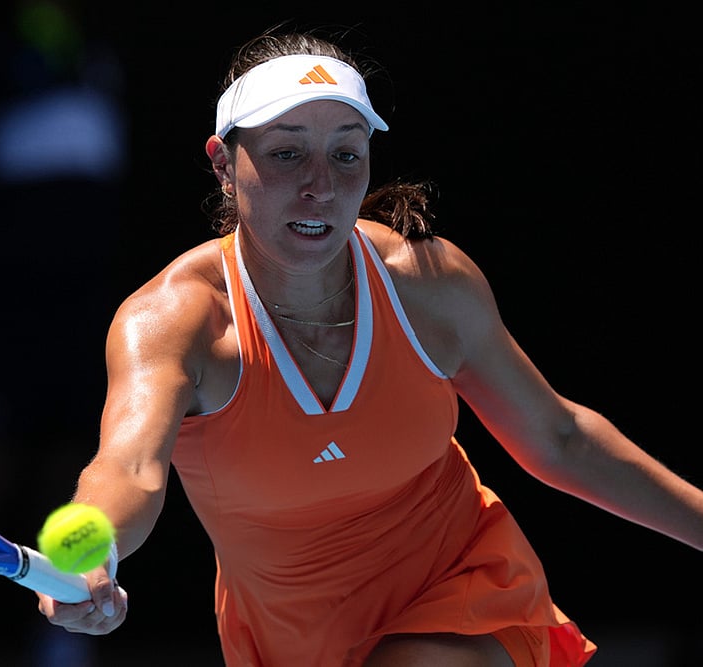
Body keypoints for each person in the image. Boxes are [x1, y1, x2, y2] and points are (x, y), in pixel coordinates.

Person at [35, 27, 703, 666]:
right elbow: (126, 469)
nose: (320, 185)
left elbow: (558, 437)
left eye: (346, 153)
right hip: (286, 637)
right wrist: (90, 550)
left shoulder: (427, 285)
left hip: (462, 589)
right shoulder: (173, 321)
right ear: (223, 165)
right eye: (287, 152)